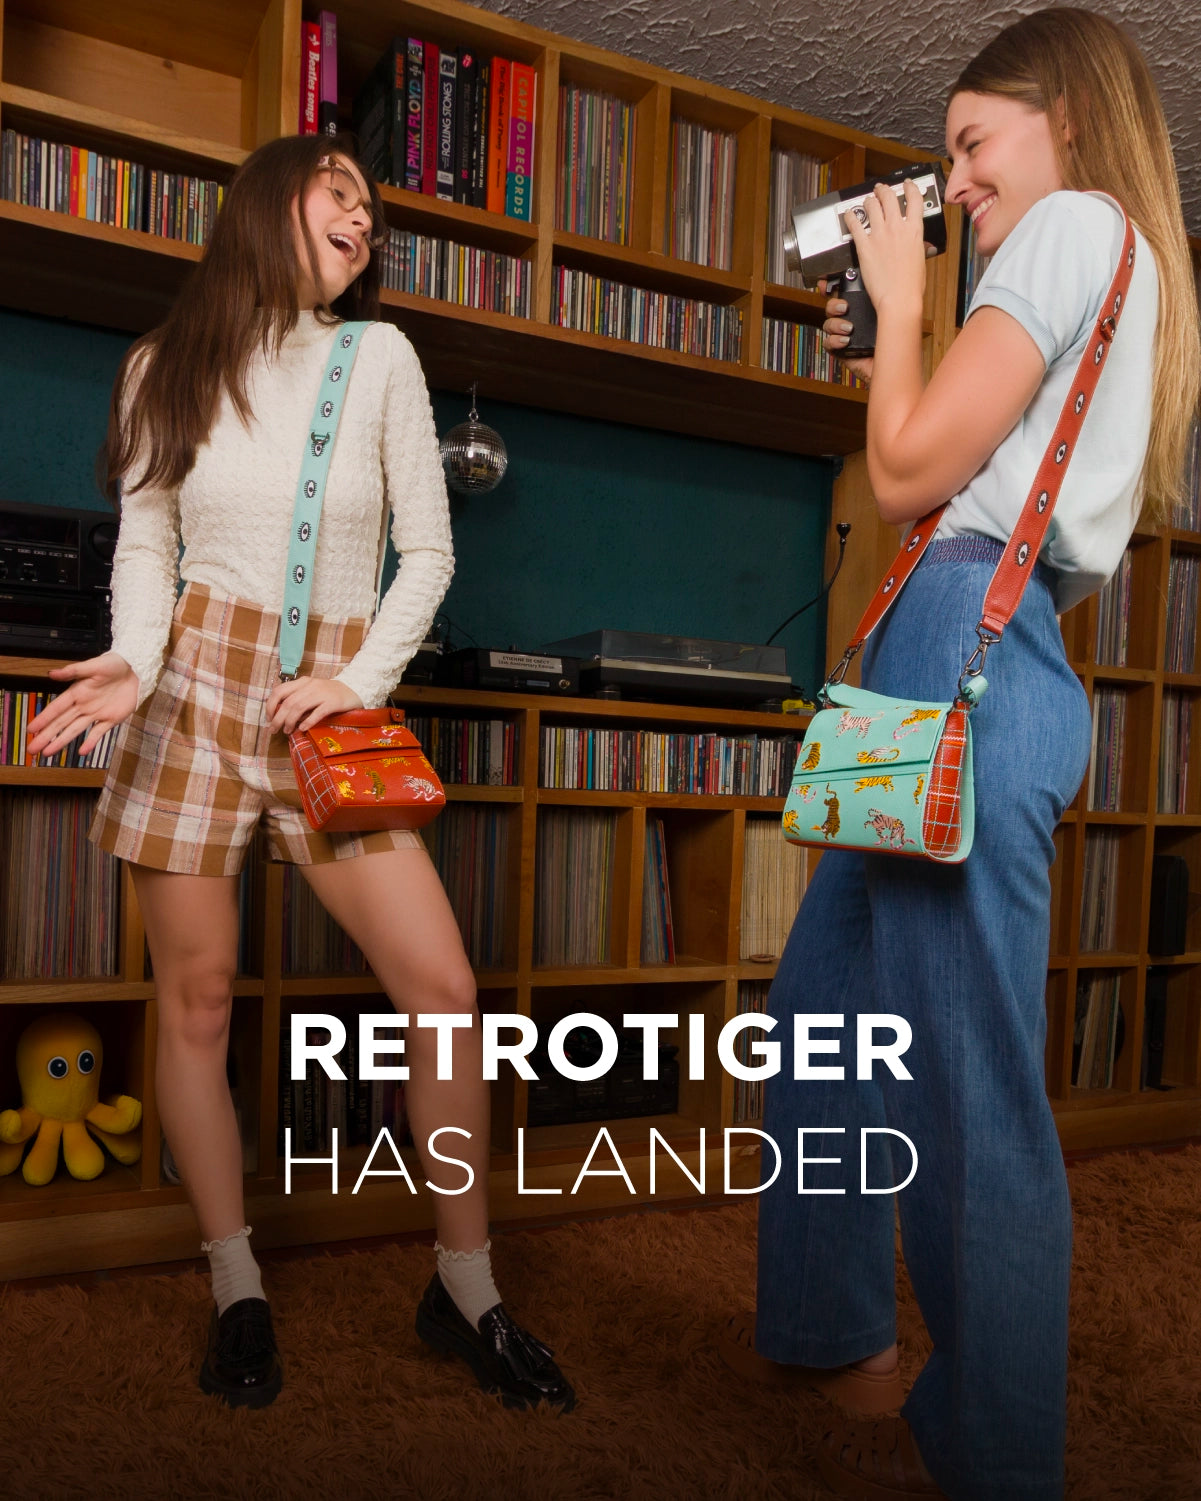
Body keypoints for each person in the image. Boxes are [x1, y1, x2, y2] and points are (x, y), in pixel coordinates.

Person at [720, 10, 1198, 1500]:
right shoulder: (1070, 257)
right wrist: (901, 334)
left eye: (969, 146)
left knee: (963, 1073)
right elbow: (924, 485)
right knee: (823, 1007)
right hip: (946, 638)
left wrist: (903, 315)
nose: (959, 180)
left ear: (1063, 115)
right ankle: (835, 1328)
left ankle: (998, 1455)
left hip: (967, 652)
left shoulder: (1071, 224)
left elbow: (908, 466)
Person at [28, 133, 574, 1416]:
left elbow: (427, 551)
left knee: (443, 989)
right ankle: (236, 1286)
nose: (363, 220)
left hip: (326, 695)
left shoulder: (374, 357)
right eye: (341, 194)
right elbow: (149, 542)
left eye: (374, 211)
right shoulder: (159, 369)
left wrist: (360, 682)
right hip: (190, 687)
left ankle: (468, 1287)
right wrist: (129, 655)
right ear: (267, 202)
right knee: (198, 1002)